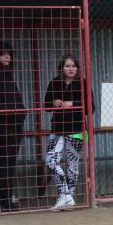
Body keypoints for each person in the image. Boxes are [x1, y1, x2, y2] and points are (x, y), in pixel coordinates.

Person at [43, 54, 93, 211]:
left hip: (77, 129)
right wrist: (54, 103)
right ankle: (65, 195)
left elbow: (91, 107)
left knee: (72, 164)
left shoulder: (83, 83)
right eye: (67, 66)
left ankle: (68, 198)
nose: (71, 69)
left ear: (77, 68)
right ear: (61, 68)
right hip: (58, 129)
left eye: (73, 66)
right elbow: (46, 106)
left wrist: (74, 104)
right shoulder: (54, 83)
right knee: (51, 161)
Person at [0, 41, 26, 212]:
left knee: (10, 163)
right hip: (4, 126)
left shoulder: (9, 76)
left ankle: (6, 199)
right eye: (3, 54)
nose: (7, 57)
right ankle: (4, 200)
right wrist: (13, 113)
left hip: (15, 126)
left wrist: (21, 113)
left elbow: (15, 101)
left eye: (9, 53)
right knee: (4, 163)